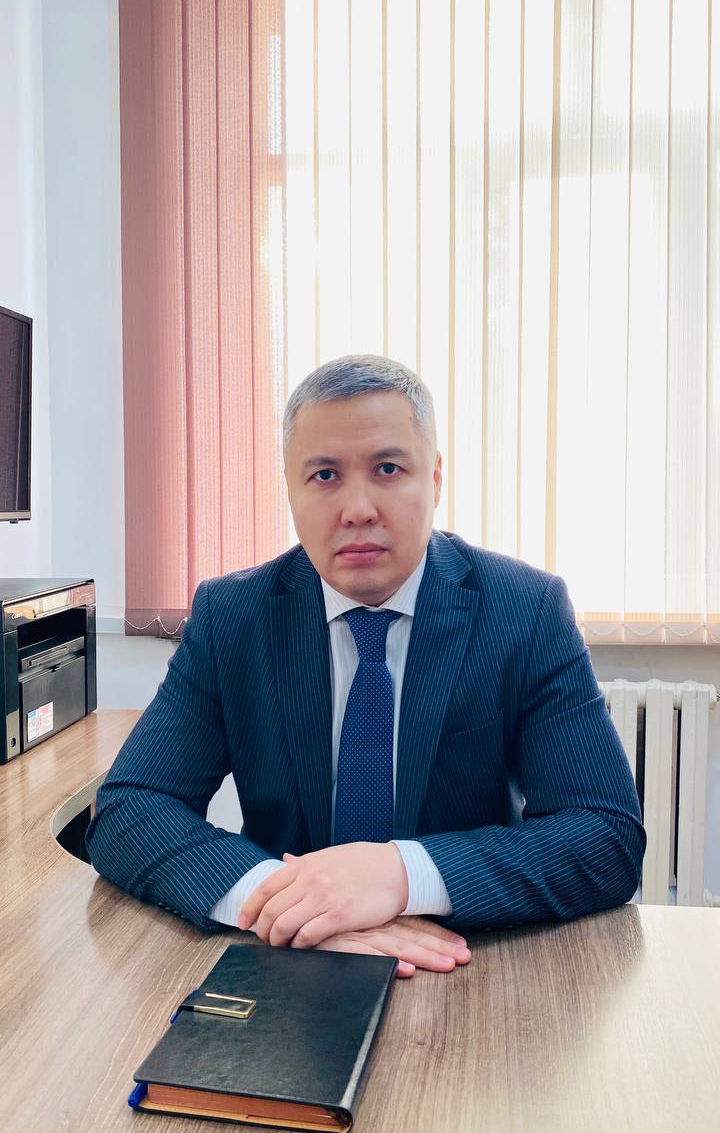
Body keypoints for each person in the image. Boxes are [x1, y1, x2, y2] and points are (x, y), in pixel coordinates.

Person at [86, 354, 645, 978]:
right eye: (324, 475)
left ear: (435, 479)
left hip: (467, 961)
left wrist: (402, 875)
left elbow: (605, 834)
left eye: (388, 469)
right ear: (291, 490)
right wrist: (292, 904)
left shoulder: (524, 609)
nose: (357, 509)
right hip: (288, 964)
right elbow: (131, 808)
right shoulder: (233, 616)